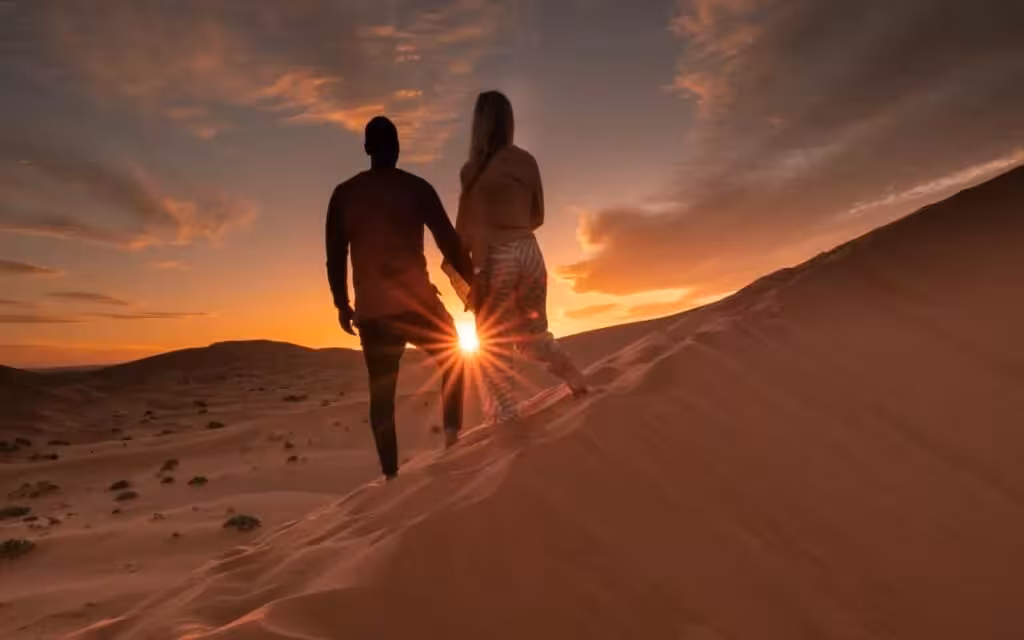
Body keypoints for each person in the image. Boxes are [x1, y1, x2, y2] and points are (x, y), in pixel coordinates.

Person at [325, 116, 473, 480]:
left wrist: (342, 304)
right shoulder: (416, 188)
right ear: (398, 148)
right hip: (417, 303)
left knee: (382, 396)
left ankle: (391, 475)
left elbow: (335, 255)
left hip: (373, 311)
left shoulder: (344, 194)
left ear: (366, 149)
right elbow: (449, 242)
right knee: (454, 357)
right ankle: (452, 440)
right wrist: (476, 283)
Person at [455, 91, 588, 425]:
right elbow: (537, 215)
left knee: (493, 344)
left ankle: (505, 419)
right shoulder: (527, 161)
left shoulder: (471, 169)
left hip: (496, 258)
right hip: (530, 252)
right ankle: (574, 376)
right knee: (533, 332)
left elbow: (468, 226)